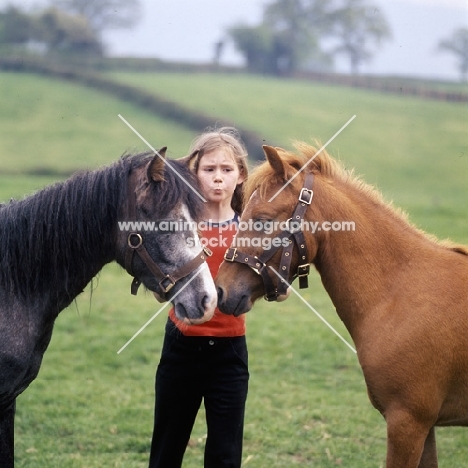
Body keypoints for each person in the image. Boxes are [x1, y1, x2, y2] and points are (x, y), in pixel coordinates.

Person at [149, 127, 250, 468]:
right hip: (181, 350)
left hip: (230, 355)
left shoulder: (249, 234)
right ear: (194, 174)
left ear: (240, 176)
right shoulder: (179, 231)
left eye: (226, 170)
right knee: (166, 450)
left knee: (225, 456)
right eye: (209, 170)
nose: (218, 179)